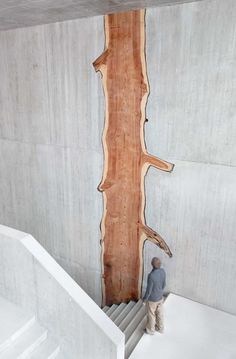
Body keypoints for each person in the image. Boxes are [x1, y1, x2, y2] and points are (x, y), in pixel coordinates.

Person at [143, 257, 166, 334]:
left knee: (151, 315)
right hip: (160, 297)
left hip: (152, 299)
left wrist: (145, 299)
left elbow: (149, 290)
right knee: (160, 313)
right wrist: (159, 292)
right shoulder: (163, 271)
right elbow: (164, 284)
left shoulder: (151, 275)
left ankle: (150, 330)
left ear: (152, 265)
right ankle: (160, 328)